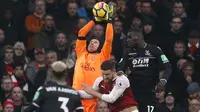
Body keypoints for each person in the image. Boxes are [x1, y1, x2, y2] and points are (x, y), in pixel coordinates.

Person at [72, 4, 114, 112]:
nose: (91, 43)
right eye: (90, 42)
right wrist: (94, 20)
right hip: (75, 98)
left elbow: (108, 40)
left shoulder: (103, 56)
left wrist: (109, 22)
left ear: (99, 47)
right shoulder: (81, 52)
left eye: (95, 42)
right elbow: (81, 33)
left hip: (92, 99)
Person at [118, 28, 172, 112]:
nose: (127, 40)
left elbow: (167, 66)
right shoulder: (127, 52)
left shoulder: (155, 50)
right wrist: (121, 74)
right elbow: (119, 68)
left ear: (137, 37)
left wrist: (163, 81)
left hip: (149, 91)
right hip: (133, 91)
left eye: (129, 37)